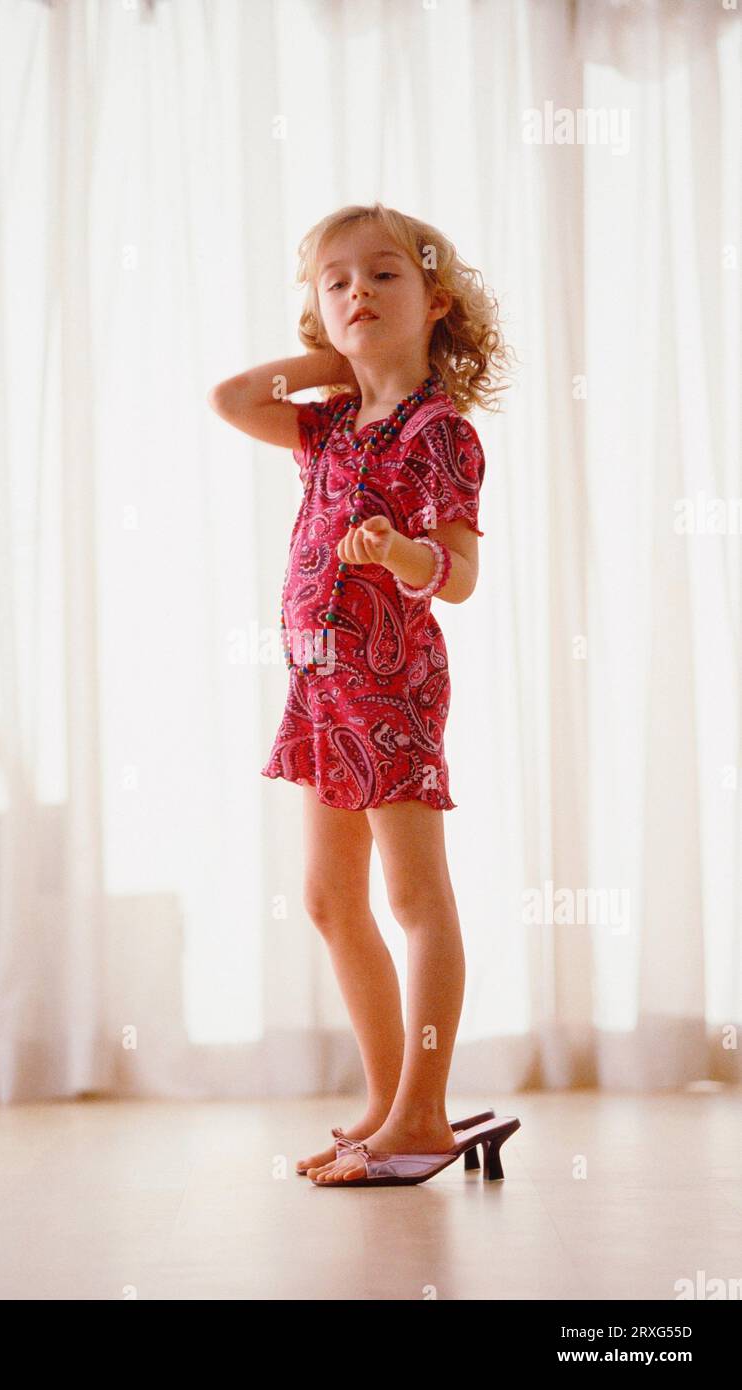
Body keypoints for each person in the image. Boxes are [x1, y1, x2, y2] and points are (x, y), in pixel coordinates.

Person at [206, 202, 519, 1187]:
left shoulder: (440, 433)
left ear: (436, 301)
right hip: (319, 687)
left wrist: (401, 551)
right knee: (328, 897)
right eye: (333, 281)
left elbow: (459, 574)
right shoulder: (330, 425)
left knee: (412, 893)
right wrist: (340, 361)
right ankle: (388, 1105)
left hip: (389, 684)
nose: (356, 293)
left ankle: (422, 1117)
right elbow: (231, 393)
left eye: (384, 275)